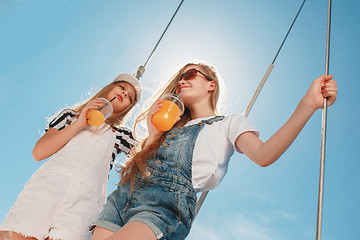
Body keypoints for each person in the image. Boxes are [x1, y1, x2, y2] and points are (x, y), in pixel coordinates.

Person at [89, 62, 338, 240]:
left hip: (163, 205)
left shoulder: (228, 123)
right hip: (124, 195)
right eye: (178, 81)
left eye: (189, 74)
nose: (181, 81)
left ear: (211, 84)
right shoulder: (168, 128)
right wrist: (154, 136)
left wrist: (308, 104)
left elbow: (264, 155)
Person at [0, 73, 141, 240]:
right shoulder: (70, 116)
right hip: (45, 189)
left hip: (84, 203)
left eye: (130, 97)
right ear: (109, 88)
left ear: (128, 108)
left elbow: (146, 157)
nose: (124, 93)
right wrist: (80, 123)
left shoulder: (122, 134)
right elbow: (39, 152)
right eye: (122, 87)